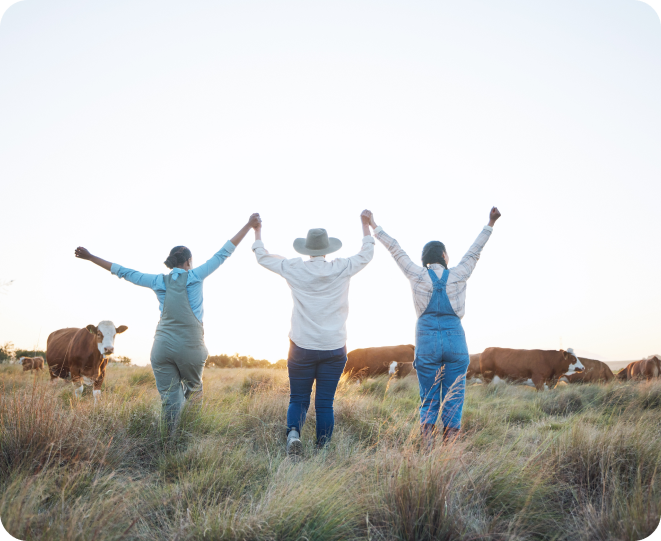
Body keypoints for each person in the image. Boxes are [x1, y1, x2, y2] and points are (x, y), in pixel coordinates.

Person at [74, 213, 262, 429]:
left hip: (162, 348)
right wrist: (249, 225)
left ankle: (168, 440)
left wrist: (90, 257)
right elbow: (224, 252)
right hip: (191, 346)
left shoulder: (157, 280)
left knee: (169, 399)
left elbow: (123, 271)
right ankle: (188, 436)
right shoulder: (196, 275)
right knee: (193, 391)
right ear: (189, 262)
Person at [368, 207, 501, 446]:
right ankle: (448, 451)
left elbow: (396, 249)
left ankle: (428, 448)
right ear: (443, 255)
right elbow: (474, 252)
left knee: (429, 398)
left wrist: (374, 225)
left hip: (427, 342)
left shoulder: (417, 275)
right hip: (455, 342)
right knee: (454, 397)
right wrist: (490, 223)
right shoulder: (459, 274)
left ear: (426, 259)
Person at [252, 210, 375, 455]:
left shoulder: (294, 267)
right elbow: (367, 253)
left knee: (298, 398)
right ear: (327, 249)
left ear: (307, 249)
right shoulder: (342, 267)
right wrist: (365, 225)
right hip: (334, 346)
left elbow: (262, 257)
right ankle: (323, 448)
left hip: (302, 346)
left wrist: (257, 231)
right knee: (325, 404)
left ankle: (294, 435)